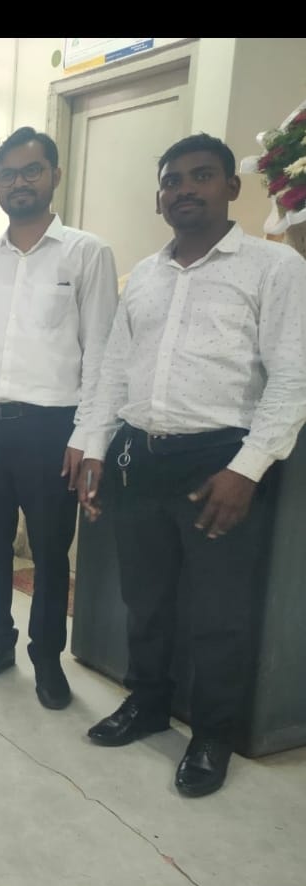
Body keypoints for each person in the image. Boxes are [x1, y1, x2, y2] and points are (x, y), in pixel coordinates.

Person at [79, 133, 306, 797]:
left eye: (201, 176)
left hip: (219, 462)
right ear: (159, 198)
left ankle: (211, 734)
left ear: (232, 187)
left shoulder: (274, 268)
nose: (184, 189)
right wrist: (95, 446)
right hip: (139, 455)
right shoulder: (145, 276)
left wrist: (247, 468)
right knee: (144, 599)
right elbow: (114, 369)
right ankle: (148, 702)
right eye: (172, 180)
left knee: (219, 612)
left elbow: (293, 377)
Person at [0, 126, 118, 709]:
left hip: (53, 429)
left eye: (31, 171)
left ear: (54, 176)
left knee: (49, 550)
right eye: (8, 175)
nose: (19, 182)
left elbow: (102, 354)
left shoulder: (86, 253)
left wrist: (89, 436)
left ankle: (47, 658)